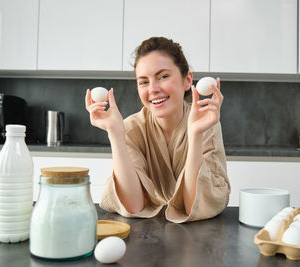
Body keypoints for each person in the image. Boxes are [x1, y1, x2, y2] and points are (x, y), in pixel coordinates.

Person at [85, 37, 230, 223]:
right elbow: (133, 205)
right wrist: (115, 134)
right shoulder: (131, 128)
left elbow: (193, 206)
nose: (153, 89)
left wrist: (195, 135)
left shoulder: (205, 124)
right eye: (143, 82)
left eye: (163, 76)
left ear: (187, 80)